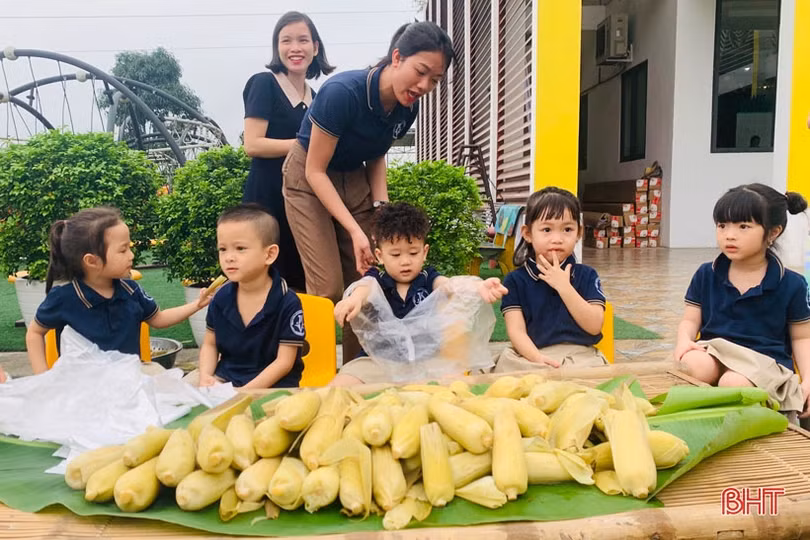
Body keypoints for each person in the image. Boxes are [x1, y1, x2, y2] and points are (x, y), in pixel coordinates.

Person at [283, 21, 454, 360]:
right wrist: (354, 230)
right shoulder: (343, 93)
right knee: (328, 287)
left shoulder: (408, 106)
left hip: (355, 177)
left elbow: (376, 155)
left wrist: (381, 214)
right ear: (397, 58)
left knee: (365, 280)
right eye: (421, 72)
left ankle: (359, 370)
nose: (424, 86)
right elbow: (315, 171)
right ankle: (314, 370)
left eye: (435, 80)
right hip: (309, 179)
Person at [675, 183, 810, 423]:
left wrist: (808, 379)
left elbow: (802, 338)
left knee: (733, 383)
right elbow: (690, 319)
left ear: (773, 233)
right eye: (722, 225)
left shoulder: (792, 284)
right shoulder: (706, 273)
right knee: (693, 363)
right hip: (716, 351)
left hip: (765, 363)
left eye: (743, 226)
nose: (729, 235)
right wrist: (684, 341)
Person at [331, 202, 507, 385]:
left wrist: (476, 286)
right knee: (341, 385)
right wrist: (354, 299)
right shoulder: (377, 280)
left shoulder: (428, 278)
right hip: (378, 361)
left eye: (413, 253)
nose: (405, 261)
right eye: (396, 255)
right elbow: (365, 288)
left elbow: (449, 285)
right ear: (380, 256)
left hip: (426, 363)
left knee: (455, 384)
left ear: (424, 252)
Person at [25, 207, 212, 374]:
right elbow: (34, 333)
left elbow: (159, 319)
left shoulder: (130, 290)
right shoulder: (64, 298)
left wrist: (197, 304)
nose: (131, 255)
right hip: (84, 387)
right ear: (92, 261)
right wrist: (43, 378)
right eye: (123, 250)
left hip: (128, 382)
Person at [242, 11, 335, 292]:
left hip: (303, 199)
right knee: (265, 279)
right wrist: (306, 144)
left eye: (303, 40)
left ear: (315, 47)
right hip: (267, 199)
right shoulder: (264, 83)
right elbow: (252, 144)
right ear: (277, 47)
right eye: (286, 41)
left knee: (302, 280)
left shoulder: (317, 98)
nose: (295, 48)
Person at [494, 188, 608, 372]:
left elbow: (594, 326)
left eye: (567, 229)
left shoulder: (587, 275)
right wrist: (537, 359)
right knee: (503, 369)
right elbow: (516, 331)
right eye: (546, 229)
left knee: (586, 376)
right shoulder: (515, 280)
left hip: (579, 356)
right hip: (531, 355)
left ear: (578, 233)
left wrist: (564, 287)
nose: (557, 239)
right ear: (528, 234)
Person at [196, 204, 306, 389]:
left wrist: (245, 392)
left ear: (269, 254)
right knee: (183, 393)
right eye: (223, 249)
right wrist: (205, 376)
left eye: (240, 248)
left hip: (274, 387)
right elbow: (210, 344)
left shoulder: (287, 301)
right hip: (226, 380)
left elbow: (284, 362)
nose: (229, 257)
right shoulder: (221, 297)